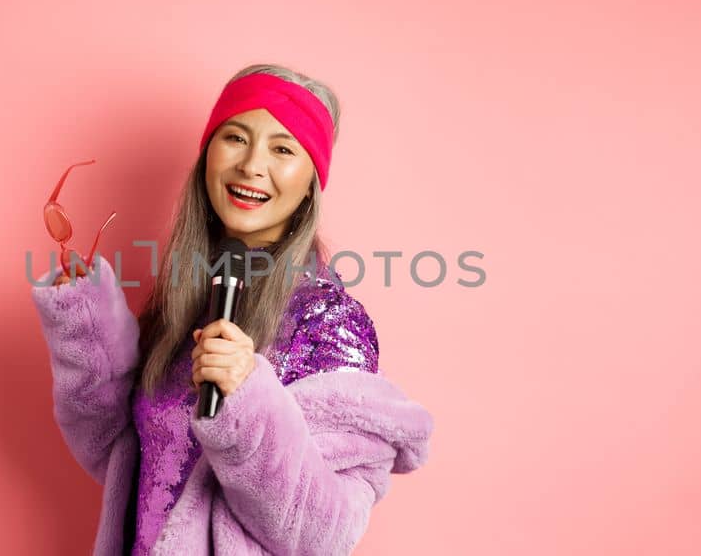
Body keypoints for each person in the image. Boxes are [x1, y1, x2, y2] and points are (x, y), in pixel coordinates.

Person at [30, 63, 433, 555]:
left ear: (311, 180)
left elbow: (325, 535)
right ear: (208, 156)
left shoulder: (329, 323)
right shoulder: (188, 300)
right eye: (236, 138)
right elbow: (120, 453)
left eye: (283, 148)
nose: (251, 165)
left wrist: (247, 399)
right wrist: (83, 323)